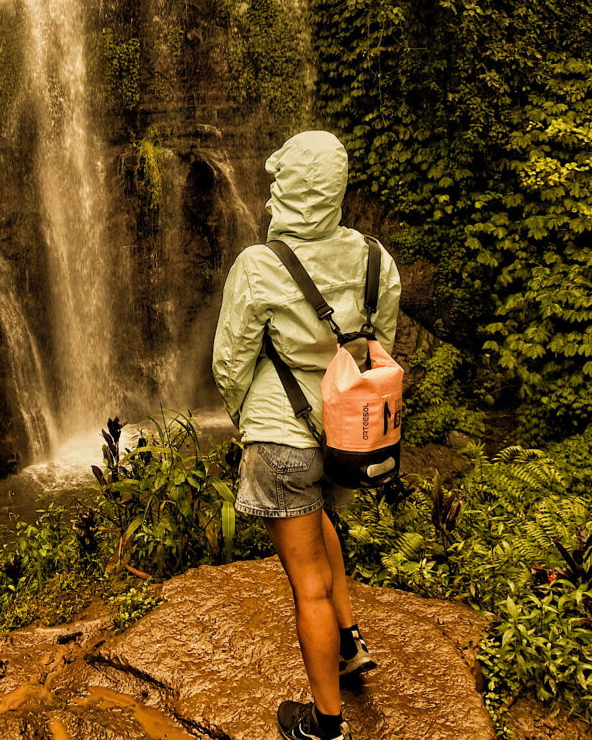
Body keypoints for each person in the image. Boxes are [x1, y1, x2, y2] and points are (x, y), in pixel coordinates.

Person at [212, 130, 401, 740]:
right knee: (321, 524)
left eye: (277, 182)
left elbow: (229, 364)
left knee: (308, 585)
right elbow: (379, 354)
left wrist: (249, 423)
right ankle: (349, 644)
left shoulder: (259, 265)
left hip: (281, 440)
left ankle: (324, 725)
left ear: (289, 187)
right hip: (348, 441)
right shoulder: (376, 260)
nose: (269, 192)